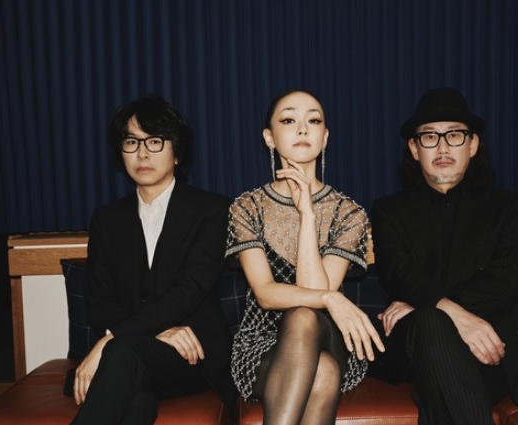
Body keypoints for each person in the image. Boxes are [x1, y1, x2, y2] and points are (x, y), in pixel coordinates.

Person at [369, 87, 518, 425]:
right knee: (431, 325)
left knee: (437, 367)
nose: (442, 148)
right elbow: (397, 272)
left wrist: (428, 305)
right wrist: (450, 314)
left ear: (472, 145)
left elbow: (505, 279)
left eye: (454, 135)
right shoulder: (388, 211)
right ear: (414, 148)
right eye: (430, 136)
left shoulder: (506, 206)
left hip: (489, 346)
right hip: (413, 344)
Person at [67, 95, 236, 425]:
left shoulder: (212, 210)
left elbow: (188, 292)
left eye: (155, 141)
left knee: (122, 352)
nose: (142, 153)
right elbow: (99, 302)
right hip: (138, 355)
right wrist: (155, 332)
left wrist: (113, 338)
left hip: (194, 354)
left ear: (177, 153)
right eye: (132, 142)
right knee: (137, 397)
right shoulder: (106, 219)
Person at [226, 89, 385, 425]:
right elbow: (266, 295)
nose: (302, 129)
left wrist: (308, 216)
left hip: (330, 338)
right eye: (288, 120)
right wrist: (330, 297)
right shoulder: (246, 207)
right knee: (322, 370)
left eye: (313, 121)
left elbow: (311, 297)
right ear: (269, 138)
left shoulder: (348, 213)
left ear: (325, 138)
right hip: (261, 343)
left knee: (303, 317)